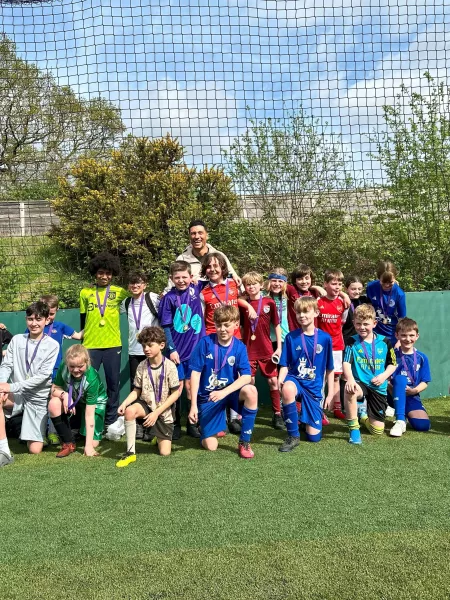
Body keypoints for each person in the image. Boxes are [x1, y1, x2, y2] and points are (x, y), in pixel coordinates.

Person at [188, 305, 258, 459]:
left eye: (227, 325)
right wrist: (193, 405)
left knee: (251, 391)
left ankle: (244, 441)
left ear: (235, 324)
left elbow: (246, 376)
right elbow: (195, 374)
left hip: (228, 394)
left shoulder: (239, 347)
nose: (223, 329)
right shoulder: (205, 343)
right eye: (219, 325)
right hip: (209, 396)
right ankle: (213, 424)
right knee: (211, 446)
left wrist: (224, 392)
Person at [0, 301, 59, 465]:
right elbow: (6, 365)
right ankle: (4, 450)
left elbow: (42, 377)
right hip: (17, 394)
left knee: (34, 449)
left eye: (38, 319)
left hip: (37, 398)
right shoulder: (17, 340)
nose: (34, 323)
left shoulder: (53, 345)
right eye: (30, 319)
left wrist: (11, 386)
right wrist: (2, 385)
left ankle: (39, 432)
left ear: (46, 320)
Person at [116, 327, 180, 467]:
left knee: (165, 453)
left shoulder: (170, 366)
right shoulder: (141, 366)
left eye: (150, 345)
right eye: (144, 345)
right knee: (130, 411)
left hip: (163, 410)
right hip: (146, 405)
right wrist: (124, 403)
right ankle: (130, 453)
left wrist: (156, 413)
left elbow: (176, 393)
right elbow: (136, 391)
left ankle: (157, 438)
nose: (146, 349)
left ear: (162, 345)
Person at [278, 296, 334, 452]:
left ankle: (304, 418)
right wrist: (280, 380)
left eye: (306, 312)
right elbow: (284, 365)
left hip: (314, 388)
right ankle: (293, 436)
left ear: (316, 313)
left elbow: (330, 369)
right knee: (288, 389)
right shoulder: (291, 337)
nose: (302, 316)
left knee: (314, 438)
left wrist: (330, 394)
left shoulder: (325, 338)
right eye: (298, 313)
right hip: (295, 380)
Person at [79, 252, 128, 429]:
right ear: (95, 273)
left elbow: (137, 293)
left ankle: (111, 420)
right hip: (90, 345)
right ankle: (87, 421)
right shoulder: (85, 293)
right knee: (87, 384)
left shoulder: (119, 292)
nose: (104, 276)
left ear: (113, 274)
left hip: (112, 344)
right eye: (101, 272)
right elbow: (82, 319)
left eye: (108, 273)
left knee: (113, 384)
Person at [158, 260, 205, 439]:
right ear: (171, 279)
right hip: (177, 351)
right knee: (175, 388)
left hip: (196, 349)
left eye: (184, 277)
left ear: (191, 277)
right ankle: (174, 423)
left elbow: (218, 277)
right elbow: (166, 326)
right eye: (177, 278)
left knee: (190, 386)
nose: (181, 281)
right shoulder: (169, 298)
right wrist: (171, 349)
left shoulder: (197, 288)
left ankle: (193, 423)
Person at [343, 304, 398, 445]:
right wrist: (349, 379)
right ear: (354, 323)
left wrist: (383, 376)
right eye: (358, 324)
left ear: (374, 323)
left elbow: (393, 364)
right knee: (350, 389)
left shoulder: (385, 341)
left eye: (366, 324)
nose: (362, 327)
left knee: (377, 430)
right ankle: (354, 429)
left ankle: (363, 416)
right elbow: (346, 363)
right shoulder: (351, 341)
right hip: (360, 383)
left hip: (378, 385)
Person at [239, 272, 283, 430]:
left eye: (254, 284)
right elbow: (242, 325)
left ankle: (277, 414)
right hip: (248, 349)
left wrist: (278, 347)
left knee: (273, 381)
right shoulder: (242, 304)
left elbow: (277, 325)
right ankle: (248, 413)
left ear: (261, 285)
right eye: (248, 285)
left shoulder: (269, 303)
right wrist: (248, 305)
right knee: (249, 382)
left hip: (266, 348)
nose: (251, 287)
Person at [48, 345, 108, 457]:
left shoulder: (92, 378)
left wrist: (88, 446)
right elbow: (54, 389)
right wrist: (64, 394)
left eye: (80, 366)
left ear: (87, 362)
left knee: (93, 443)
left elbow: (89, 414)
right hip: (73, 397)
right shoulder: (63, 366)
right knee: (54, 403)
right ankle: (68, 442)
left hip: (94, 403)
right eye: (72, 366)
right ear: (67, 363)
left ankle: (85, 430)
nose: (76, 370)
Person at [166, 219, 240, 289]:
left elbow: (233, 278)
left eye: (200, 233)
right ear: (189, 236)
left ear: (206, 235)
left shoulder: (219, 256)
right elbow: (172, 286)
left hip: (217, 299)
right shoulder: (182, 259)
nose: (197, 237)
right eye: (193, 233)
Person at [389, 317, 431, 437]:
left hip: (411, 395)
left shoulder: (422, 357)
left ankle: (404, 413)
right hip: (390, 395)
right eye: (404, 335)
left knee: (423, 426)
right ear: (397, 335)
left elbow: (425, 381)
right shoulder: (391, 354)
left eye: (411, 335)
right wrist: (392, 388)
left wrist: (414, 391)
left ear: (417, 336)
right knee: (400, 379)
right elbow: (385, 377)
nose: (408, 339)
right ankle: (400, 420)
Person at [317, 269, 348, 421]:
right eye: (333, 283)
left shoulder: (343, 303)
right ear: (325, 284)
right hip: (321, 347)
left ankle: (336, 408)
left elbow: (341, 323)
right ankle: (320, 410)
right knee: (321, 377)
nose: (337, 287)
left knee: (336, 378)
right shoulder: (318, 303)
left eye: (340, 284)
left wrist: (344, 295)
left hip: (337, 346)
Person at [340, 276, 372, 416]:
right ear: (347, 288)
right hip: (347, 342)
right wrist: (342, 294)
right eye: (353, 289)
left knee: (361, 371)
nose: (356, 291)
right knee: (345, 375)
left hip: (362, 342)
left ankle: (364, 403)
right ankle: (344, 405)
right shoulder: (342, 301)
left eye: (359, 288)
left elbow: (377, 287)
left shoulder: (364, 300)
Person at [366, 260, 406, 345]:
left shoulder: (399, 294)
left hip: (391, 335)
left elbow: (402, 319)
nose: (387, 285)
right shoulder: (370, 287)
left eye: (390, 282)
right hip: (373, 332)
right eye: (384, 282)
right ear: (378, 278)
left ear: (395, 278)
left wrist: (399, 340)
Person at [286, 264, 325, 332]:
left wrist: (344, 295)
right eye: (300, 279)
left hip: (312, 333)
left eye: (307, 278)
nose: (304, 282)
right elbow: (279, 283)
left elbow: (332, 291)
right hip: (296, 333)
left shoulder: (314, 292)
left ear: (311, 279)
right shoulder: (292, 290)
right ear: (295, 281)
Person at [263, 268, 289, 349]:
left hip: (284, 337)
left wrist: (317, 287)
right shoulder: (261, 295)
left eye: (280, 281)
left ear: (285, 283)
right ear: (269, 282)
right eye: (274, 280)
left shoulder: (286, 295)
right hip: (267, 338)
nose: (277, 284)